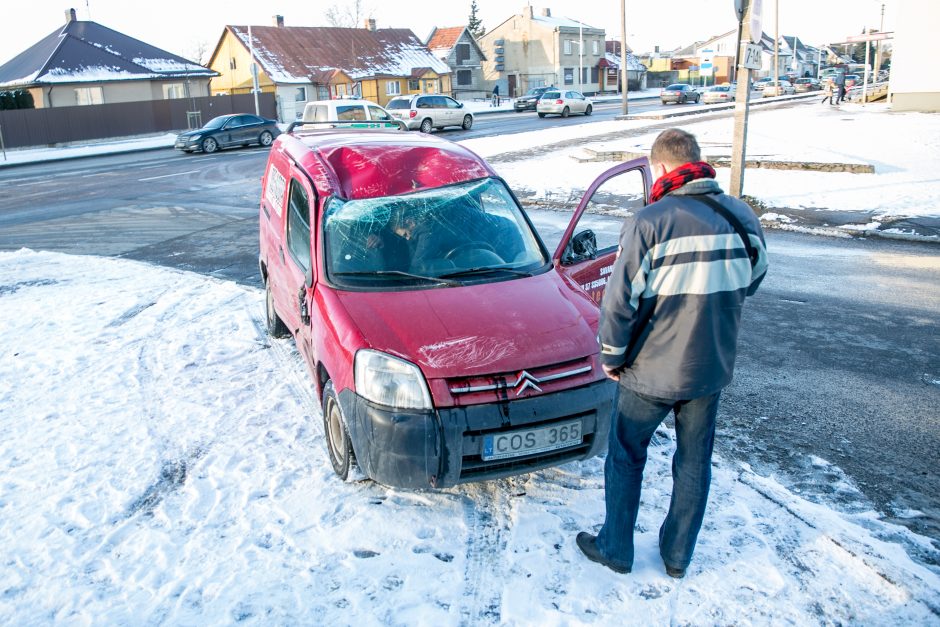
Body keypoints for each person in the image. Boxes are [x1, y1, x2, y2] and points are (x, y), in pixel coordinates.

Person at [576, 128, 768, 579]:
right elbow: (754, 278)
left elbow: (619, 302)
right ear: (697, 162)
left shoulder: (649, 222)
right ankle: (678, 556)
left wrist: (612, 357)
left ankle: (616, 547)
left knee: (626, 454)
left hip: (651, 372)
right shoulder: (741, 217)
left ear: (661, 168)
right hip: (710, 369)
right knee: (694, 460)